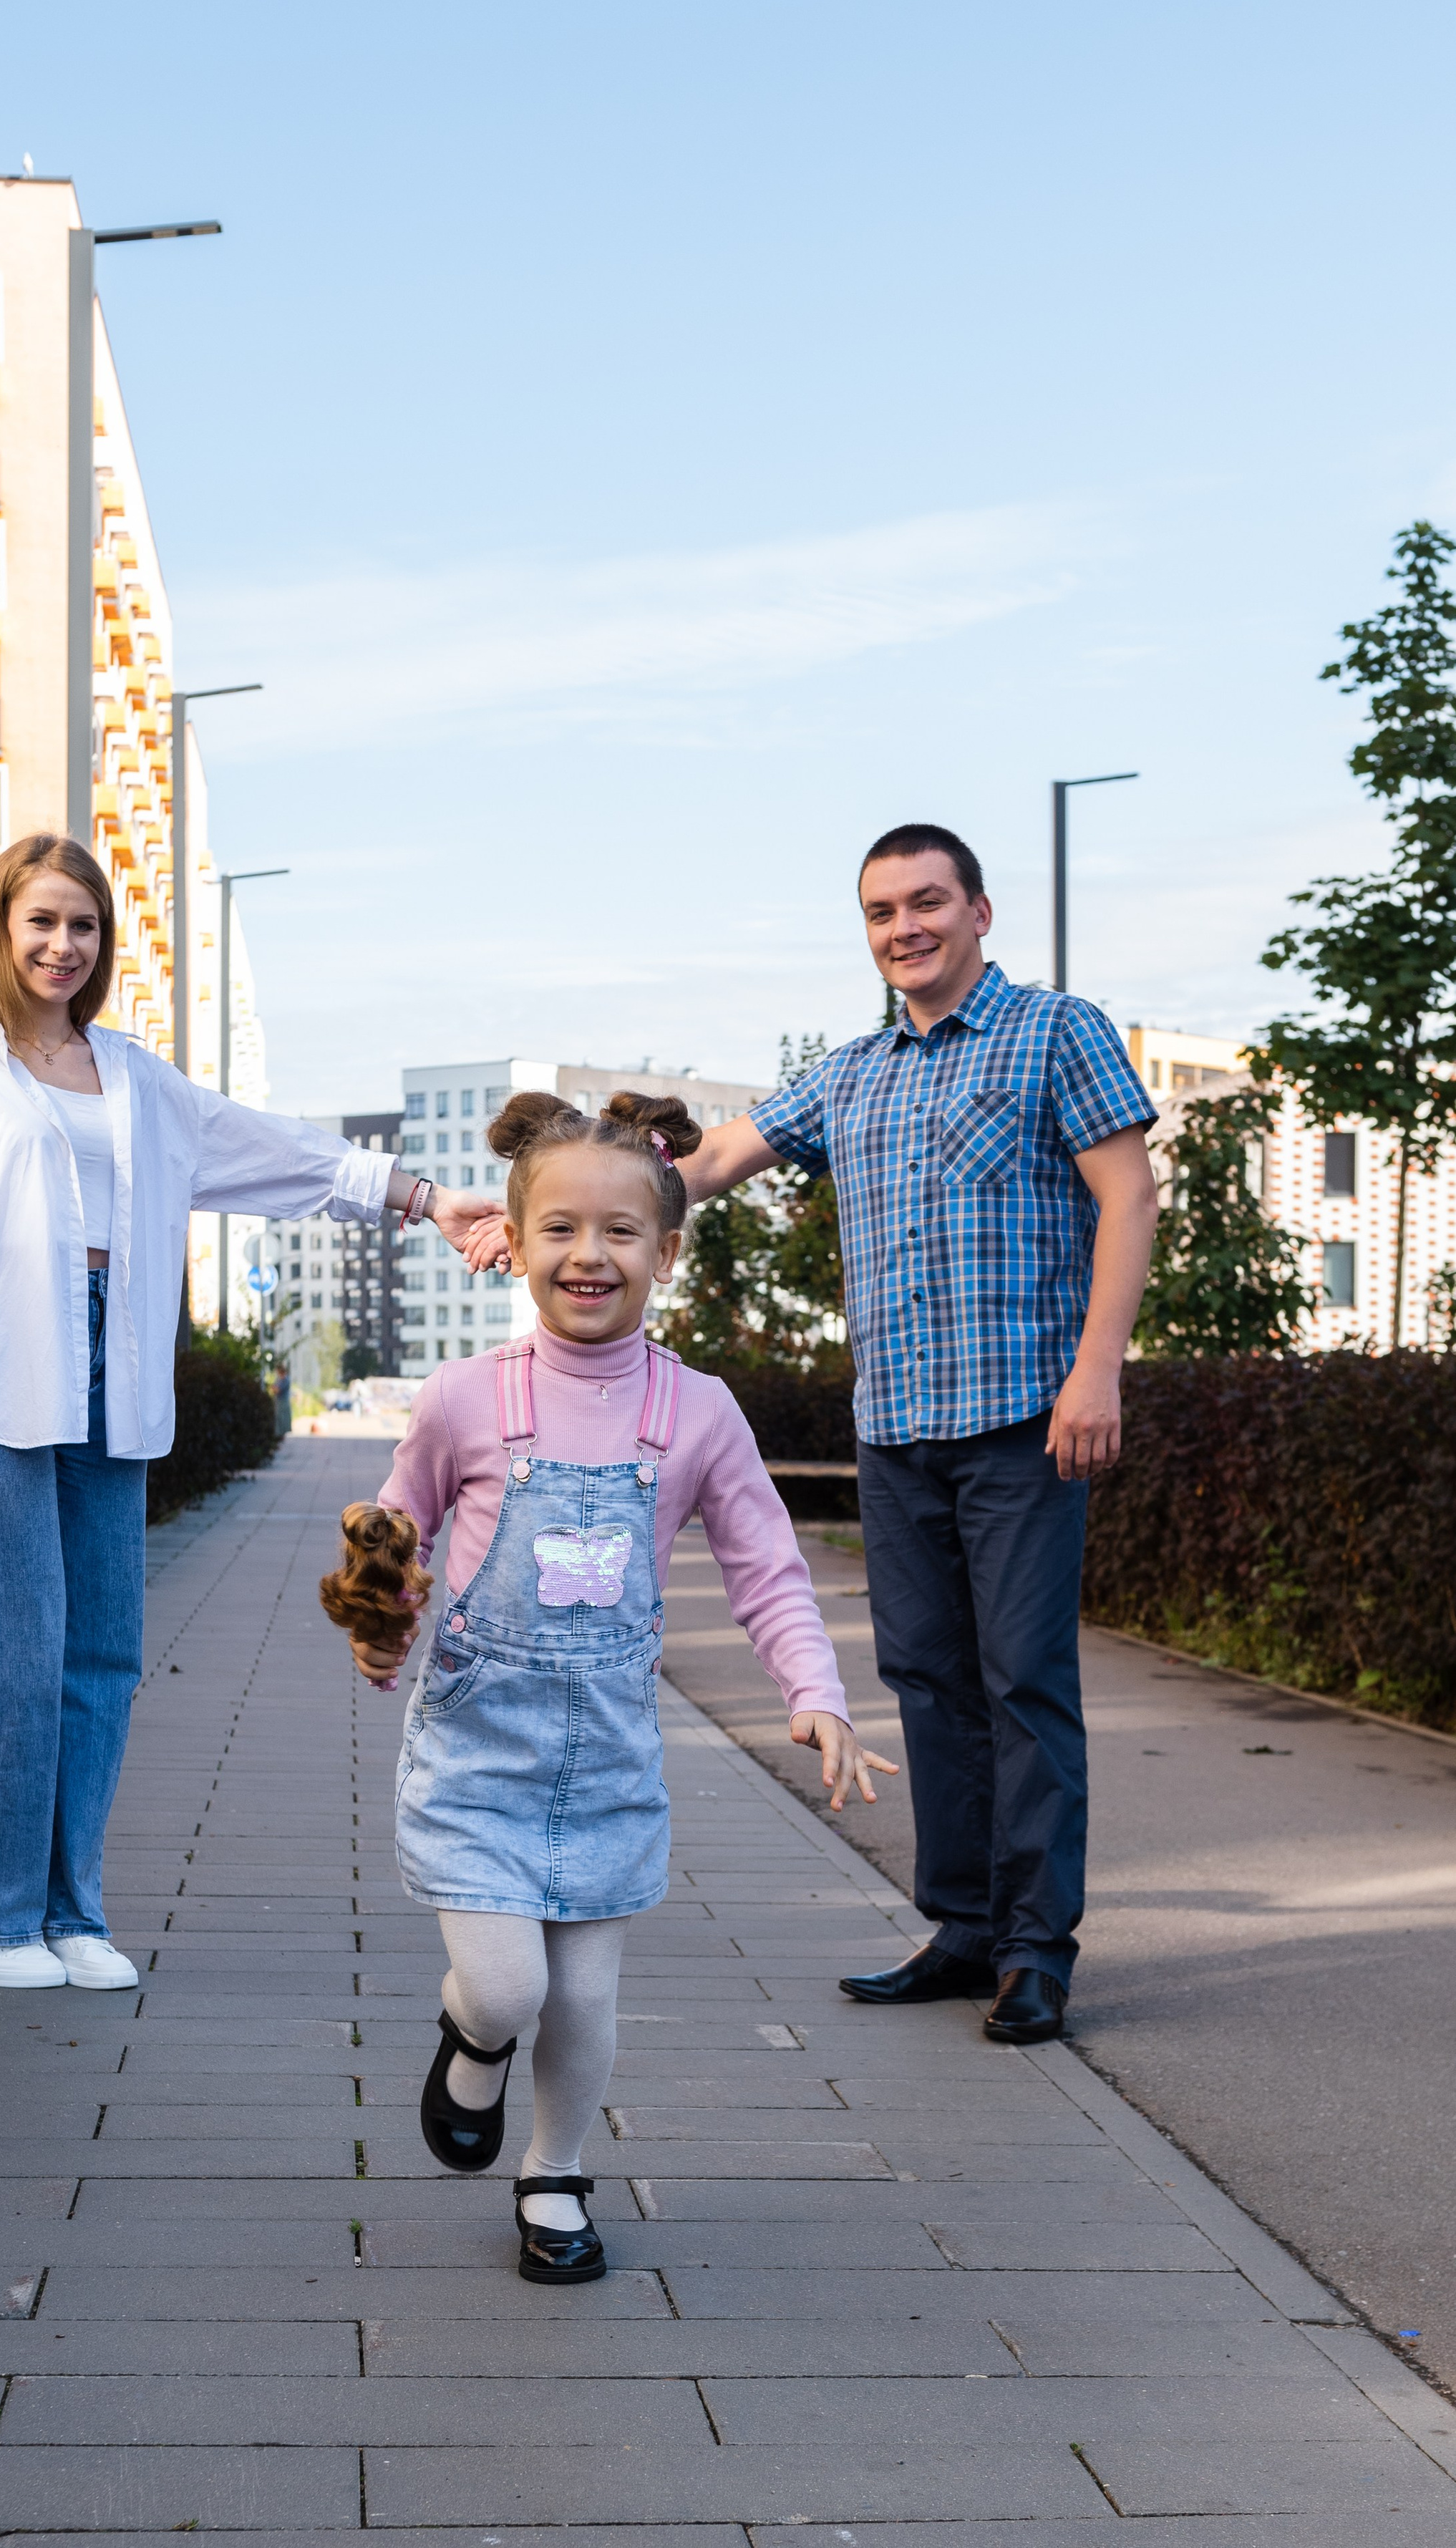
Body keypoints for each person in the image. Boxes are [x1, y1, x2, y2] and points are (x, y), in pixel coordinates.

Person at [0, 830, 491, 1994]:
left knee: (102, 1652)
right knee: (15, 1653)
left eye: (85, 925)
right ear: (1, 927)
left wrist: (423, 1196)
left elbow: (277, 1153)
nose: (64, 944)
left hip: (115, 1369)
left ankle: (70, 1911)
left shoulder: (138, 1074)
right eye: (42, 920)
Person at [320, 1091, 896, 2282]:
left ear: (667, 1251)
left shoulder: (697, 1410)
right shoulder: (467, 1396)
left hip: (610, 1760)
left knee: (583, 1994)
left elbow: (766, 1563)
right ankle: (471, 2035)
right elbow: (396, 1530)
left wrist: (816, 1688)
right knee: (510, 1980)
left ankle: (555, 2170)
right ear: (515, 1243)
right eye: (562, 1230)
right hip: (481, 1751)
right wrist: (381, 1627)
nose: (591, 1255)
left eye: (622, 1233)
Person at [631, 825, 1157, 2045]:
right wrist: (560, 1187)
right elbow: (705, 1163)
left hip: (1028, 1415)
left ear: (979, 911)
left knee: (1025, 1684)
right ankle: (965, 1926)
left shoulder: (1054, 1031)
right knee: (927, 1681)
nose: (903, 926)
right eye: (880, 911)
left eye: (927, 902)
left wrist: (1098, 1375)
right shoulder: (850, 1069)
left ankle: (1037, 1953)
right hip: (898, 1428)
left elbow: (1127, 1196)